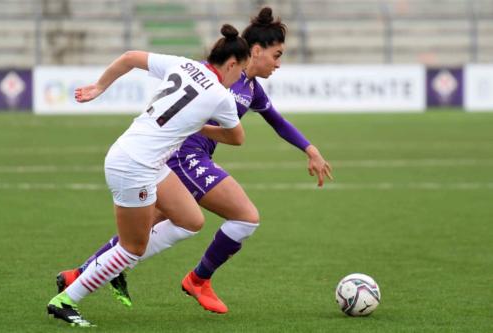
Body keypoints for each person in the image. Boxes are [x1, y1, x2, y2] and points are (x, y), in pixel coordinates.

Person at [56, 7, 333, 316]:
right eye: (277, 55)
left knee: (154, 223)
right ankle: (198, 280)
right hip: (181, 156)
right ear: (255, 51)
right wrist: (193, 126)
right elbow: (224, 130)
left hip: (182, 158)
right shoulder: (215, 78)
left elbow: (277, 121)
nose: (279, 64)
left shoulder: (252, 89)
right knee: (244, 217)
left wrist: (310, 149)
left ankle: (79, 275)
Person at [46, 24, 250, 327]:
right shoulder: (221, 96)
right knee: (132, 248)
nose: (238, 79)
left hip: (139, 156)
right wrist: (195, 126)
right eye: (240, 71)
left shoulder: (183, 64)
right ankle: (65, 300)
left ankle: (113, 263)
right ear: (232, 63)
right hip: (135, 165)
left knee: (191, 220)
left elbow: (129, 57)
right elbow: (236, 138)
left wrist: (100, 87)